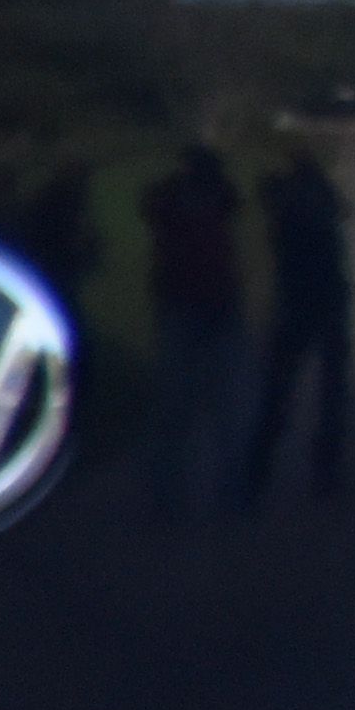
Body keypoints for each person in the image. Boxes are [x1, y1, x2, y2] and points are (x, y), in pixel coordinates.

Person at [239, 143, 354, 506]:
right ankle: (323, 474)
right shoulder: (315, 198)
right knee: (328, 393)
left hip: (296, 304)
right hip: (325, 301)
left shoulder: (283, 202)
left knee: (279, 392)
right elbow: (340, 212)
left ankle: (256, 475)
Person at [138, 138, 246, 516]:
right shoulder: (213, 199)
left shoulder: (171, 201)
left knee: (177, 410)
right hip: (211, 309)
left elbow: (148, 207)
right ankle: (227, 495)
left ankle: (168, 496)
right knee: (225, 410)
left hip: (186, 309)